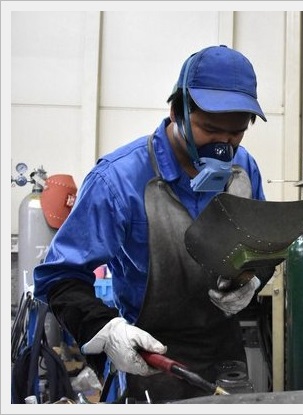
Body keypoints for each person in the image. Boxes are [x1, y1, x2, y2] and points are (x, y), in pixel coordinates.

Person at [33, 45, 275, 402]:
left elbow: (261, 248)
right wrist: (106, 329)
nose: (223, 146)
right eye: (210, 130)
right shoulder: (117, 180)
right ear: (177, 112)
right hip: (148, 358)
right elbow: (59, 277)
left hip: (224, 354)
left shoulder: (244, 170)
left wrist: (253, 280)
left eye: (236, 133)